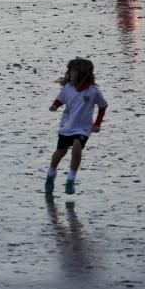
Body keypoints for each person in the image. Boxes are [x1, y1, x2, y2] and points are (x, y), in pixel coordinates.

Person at [44, 58, 108, 195]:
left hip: (83, 128)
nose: (70, 74)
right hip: (67, 125)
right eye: (69, 71)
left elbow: (103, 106)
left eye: (73, 71)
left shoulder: (93, 91)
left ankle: (70, 180)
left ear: (82, 73)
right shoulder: (68, 88)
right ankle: (51, 175)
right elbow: (61, 99)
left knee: (77, 147)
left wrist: (97, 124)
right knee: (60, 152)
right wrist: (54, 106)